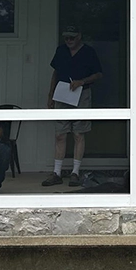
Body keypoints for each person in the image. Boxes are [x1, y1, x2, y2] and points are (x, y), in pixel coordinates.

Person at [43, 26, 103, 187]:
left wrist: (81, 82)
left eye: (72, 37)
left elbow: (98, 74)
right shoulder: (61, 51)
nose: (69, 41)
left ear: (79, 37)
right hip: (62, 94)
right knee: (60, 134)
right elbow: (55, 73)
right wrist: (50, 96)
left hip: (81, 94)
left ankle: (75, 172)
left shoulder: (89, 52)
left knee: (78, 133)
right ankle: (56, 172)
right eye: (66, 38)